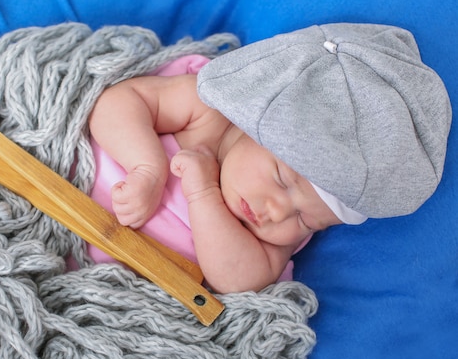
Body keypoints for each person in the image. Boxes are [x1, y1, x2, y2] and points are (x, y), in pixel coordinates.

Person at [86, 23, 452, 294]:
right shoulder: (208, 113)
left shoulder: (273, 239)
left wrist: (203, 195)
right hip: (56, 192)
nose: (277, 211)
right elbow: (115, 104)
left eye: (306, 220)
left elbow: (237, 283)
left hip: (106, 287)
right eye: (281, 177)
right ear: (252, 122)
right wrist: (147, 168)